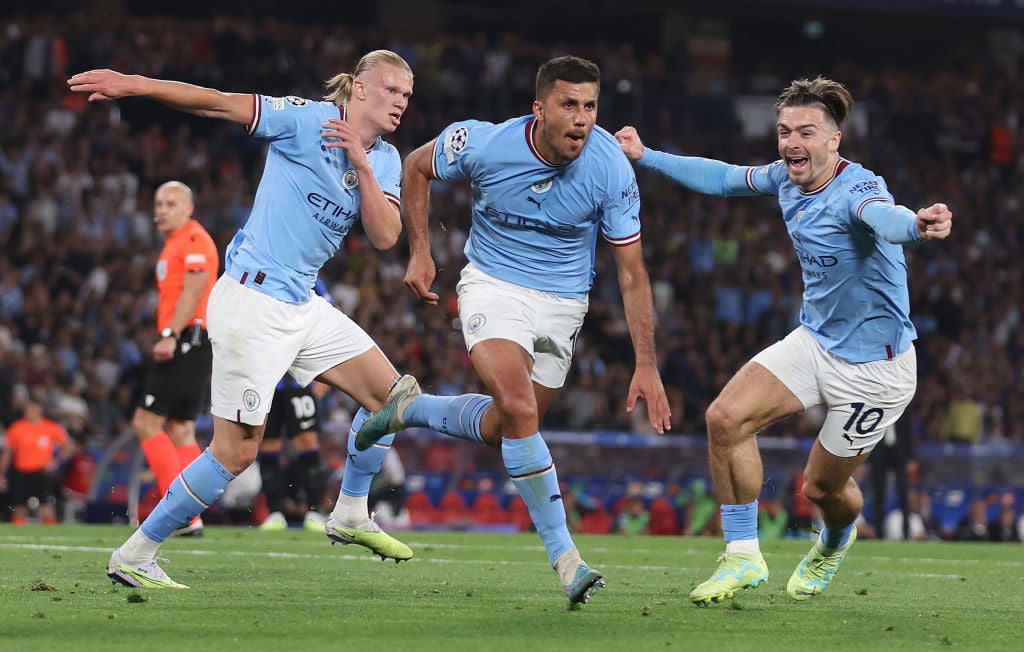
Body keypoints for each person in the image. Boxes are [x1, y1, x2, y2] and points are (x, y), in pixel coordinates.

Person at [68, 48, 416, 589]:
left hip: (303, 304)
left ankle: (350, 512)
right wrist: (133, 84)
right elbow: (215, 104)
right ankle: (136, 553)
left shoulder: (387, 159)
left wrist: (362, 165)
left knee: (395, 399)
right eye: (393, 90)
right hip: (252, 303)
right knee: (235, 451)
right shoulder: (305, 121)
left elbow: (387, 235)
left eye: (407, 96)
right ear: (363, 88)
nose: (401, 102)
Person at [615, 76, 953, 605]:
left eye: (807, 132)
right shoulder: (785, 179)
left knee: (820, 489)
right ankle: (743, 556)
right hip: (816, 341)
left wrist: (918, 224)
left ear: (834, 140)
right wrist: (646, 155)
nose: (793, 142)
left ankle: (835, 541)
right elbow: (724, 178)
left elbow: (885, 218)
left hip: (877, 371)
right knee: (723, 419)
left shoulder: (858, 188)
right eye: (784, 131)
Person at [355, 55, 672, 606]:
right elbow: (415, 167)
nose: (580, 119)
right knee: (522, 410)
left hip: (564, 304)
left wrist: (647, 363)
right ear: (539, 108)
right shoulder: (484, 143)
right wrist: (422, 252)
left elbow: (632, 271)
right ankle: (567, 560)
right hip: (493, 288)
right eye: (568, 105)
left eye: (590, 107)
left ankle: (411, 409)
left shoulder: (611, 169)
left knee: (509, 425)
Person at [133, 180, 218, 537]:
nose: (162, 209)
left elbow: (196, 285)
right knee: (181, 429)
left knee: (145, 422)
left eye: (171, 203)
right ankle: (191, 512)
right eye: (158, 203)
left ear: (189, 208)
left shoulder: (193, 239)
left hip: (187, 339)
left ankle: (181, 512)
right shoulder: (174, 243)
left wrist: (170, 333)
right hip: (196, 343)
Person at [258, 280, 335, 533]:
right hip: (266, 377)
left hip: (299, 377)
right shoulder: (260, 276)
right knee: (267, 445)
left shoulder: (312, 280)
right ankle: (276, 512)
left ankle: (314, 512)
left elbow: (330, 321)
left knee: (307, 443)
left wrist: (323, 369)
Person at [0, 397, 77, 524]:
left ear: (40, 409)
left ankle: (51, 539)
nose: (29, 410)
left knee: (47, 508)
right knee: (19, 508)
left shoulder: (51, 427)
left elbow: (69, 446)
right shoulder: (16, 428)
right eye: (27, 407)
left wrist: (56, 461)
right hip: (21, 472)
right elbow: (7, 453)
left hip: (42, 472)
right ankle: (19, 539)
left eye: (32, 407)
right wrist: (1, 474)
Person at [869, 417, 915, 539]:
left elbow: (908, 428)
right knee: (879, 494)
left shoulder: (903, 399)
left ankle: (906, 531)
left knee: (903, 493)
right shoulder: (877, 400)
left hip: (899, 452)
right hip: (879, 452)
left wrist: (911, 457)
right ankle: (879, 533)